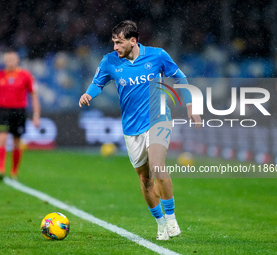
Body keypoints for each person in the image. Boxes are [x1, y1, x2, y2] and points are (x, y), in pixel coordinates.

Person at [79, 20, 201, 240]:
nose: (115, 47)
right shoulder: (109, 61)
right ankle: (161, 223)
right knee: (145, 180)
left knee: (157, 166)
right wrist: (89, 94)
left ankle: (172, 219)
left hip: (158, 119)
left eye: (119, 42)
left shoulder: (157, 56)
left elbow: (179, 77)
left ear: (133, 40)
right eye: (113, 42)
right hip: (131, 128)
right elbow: (97, 83)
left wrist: (191, 105)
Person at [0, 50, 40, 180]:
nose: (9, 62)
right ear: (4, 61)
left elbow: (34, 95)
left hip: (19, 112)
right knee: (2, 140)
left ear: (17, 60)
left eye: (12, 59)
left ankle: (14, 171)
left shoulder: (26, 75)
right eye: (7, 60)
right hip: (3, 111)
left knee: (16, 142)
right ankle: (1, 170)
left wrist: (36, 115)